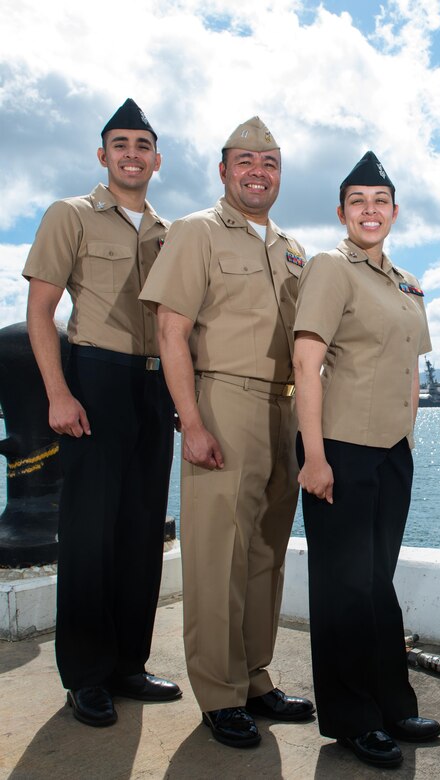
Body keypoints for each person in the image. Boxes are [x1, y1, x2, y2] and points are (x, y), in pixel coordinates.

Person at [139, 116, 314, 748]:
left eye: (268, 163)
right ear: (223, 170)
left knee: (266, 553)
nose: (257, 172)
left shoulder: (293, 249)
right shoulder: (195, 232)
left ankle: (254, 678)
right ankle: (218, 693)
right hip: (223, 399)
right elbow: (170, 332)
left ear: (279, 175)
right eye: (245, 161)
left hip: (284, 409)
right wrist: (192, 420)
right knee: (218, 557)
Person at [23, 99, 181, 728]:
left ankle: (128, 667)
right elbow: (41, 312)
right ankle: (85, 676)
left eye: (143, 145)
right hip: (96, 379)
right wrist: (58, 394)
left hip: (155, 389)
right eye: (121, 144)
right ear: (102, 155)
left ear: (157, 159)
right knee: (89, 533)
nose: (132, 155)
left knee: (141, 532)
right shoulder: (72, 215)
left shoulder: (171, 232)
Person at [293, 151, 440, 768]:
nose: (370, 211)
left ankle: (392, 704)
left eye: (380, 202)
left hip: (390, 453)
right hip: (341, 451)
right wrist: (314, 457)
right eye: (358, 202)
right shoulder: (331, 267)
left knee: (377, 582)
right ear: (342, 212)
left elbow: (411, 370)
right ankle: (353, 720)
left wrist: (407, 441)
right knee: (342, 587)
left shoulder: (405, 284)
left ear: (395, 213)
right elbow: (306, 360)